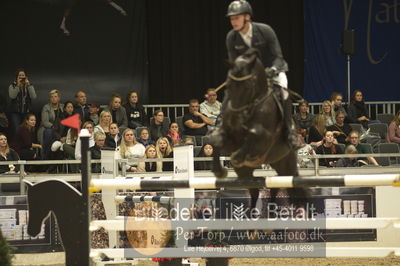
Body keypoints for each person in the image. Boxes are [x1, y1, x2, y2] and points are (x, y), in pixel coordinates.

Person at [224, 0, 298, 148]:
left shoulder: (265, 31)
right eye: (232, 18)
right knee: (230, 92)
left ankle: (289, 131)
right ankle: (222, 129)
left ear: (247, 17)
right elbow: (234, 63)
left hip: (273, 70)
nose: (233, 21)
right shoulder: (231, 37)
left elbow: (278, 56)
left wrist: (272, 70)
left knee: (283, 92)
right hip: (249, 76)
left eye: (236, 17)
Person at [8, 69, 37, 134]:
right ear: (17, 77)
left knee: (26, 129)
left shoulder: (29, 85)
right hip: (16, 112)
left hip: (26, 112)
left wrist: (29, 85)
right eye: (20, 75)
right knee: (17, 129)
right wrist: (18, 85)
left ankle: (26, 143)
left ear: (25, 76)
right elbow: (12, 96)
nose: (21, 77)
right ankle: (18, 143)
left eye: (23, 75)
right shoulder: (12, 85)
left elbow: (33, 96)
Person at [37, 90, 64, 159]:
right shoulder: (46, 107)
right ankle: (46, 155)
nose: (54, 98)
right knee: (49, 132)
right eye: (52, 97)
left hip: (60, 128)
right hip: (47, 128)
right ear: (50, 99)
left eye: (55, 96)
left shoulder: (62, 107)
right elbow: (45, 122)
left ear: (59, 98)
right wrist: (53, 126)